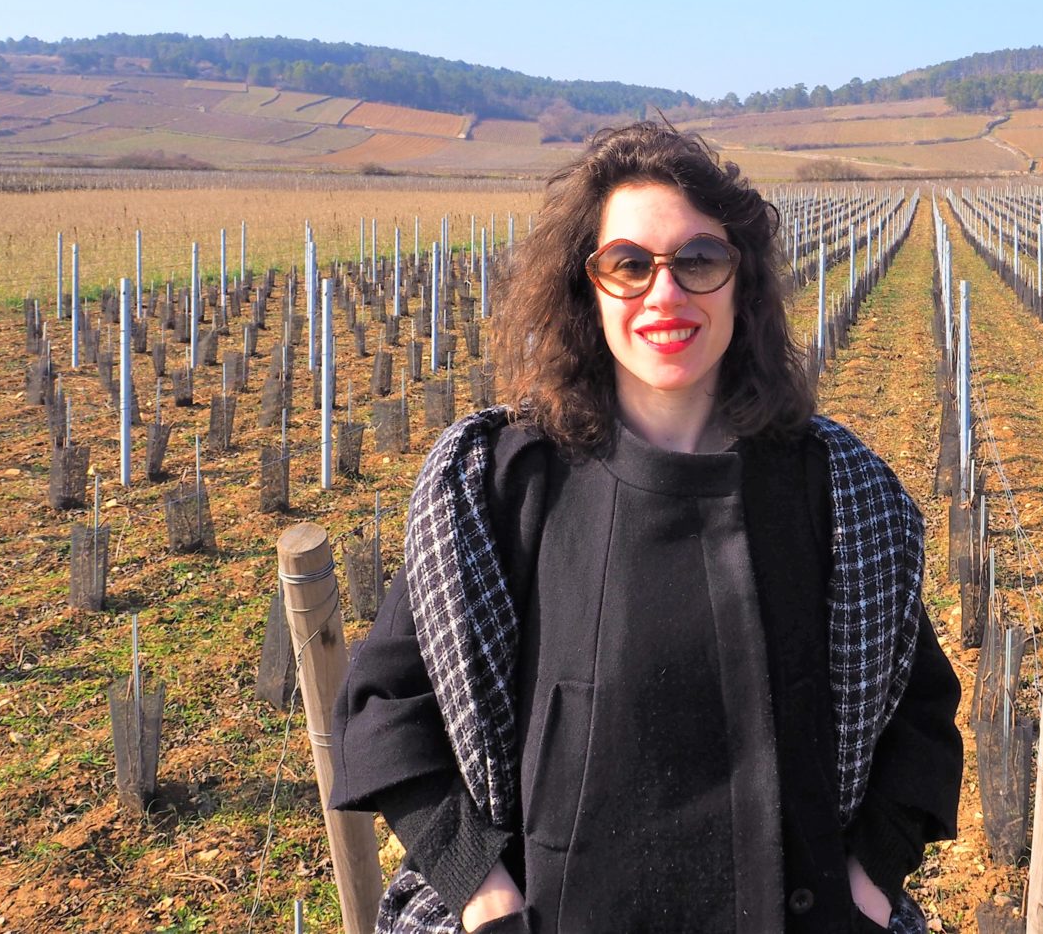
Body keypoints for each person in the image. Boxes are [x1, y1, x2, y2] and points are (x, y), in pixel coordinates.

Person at [332, 121, 962, 934]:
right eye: (629, 264)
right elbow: (389, 706)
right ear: (587, 289)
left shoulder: (834, 493)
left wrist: (864, 893)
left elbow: (920, 713)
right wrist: (487, 898)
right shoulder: (502, 486)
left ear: (742, 283)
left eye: (698, 260)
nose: (665, 295)